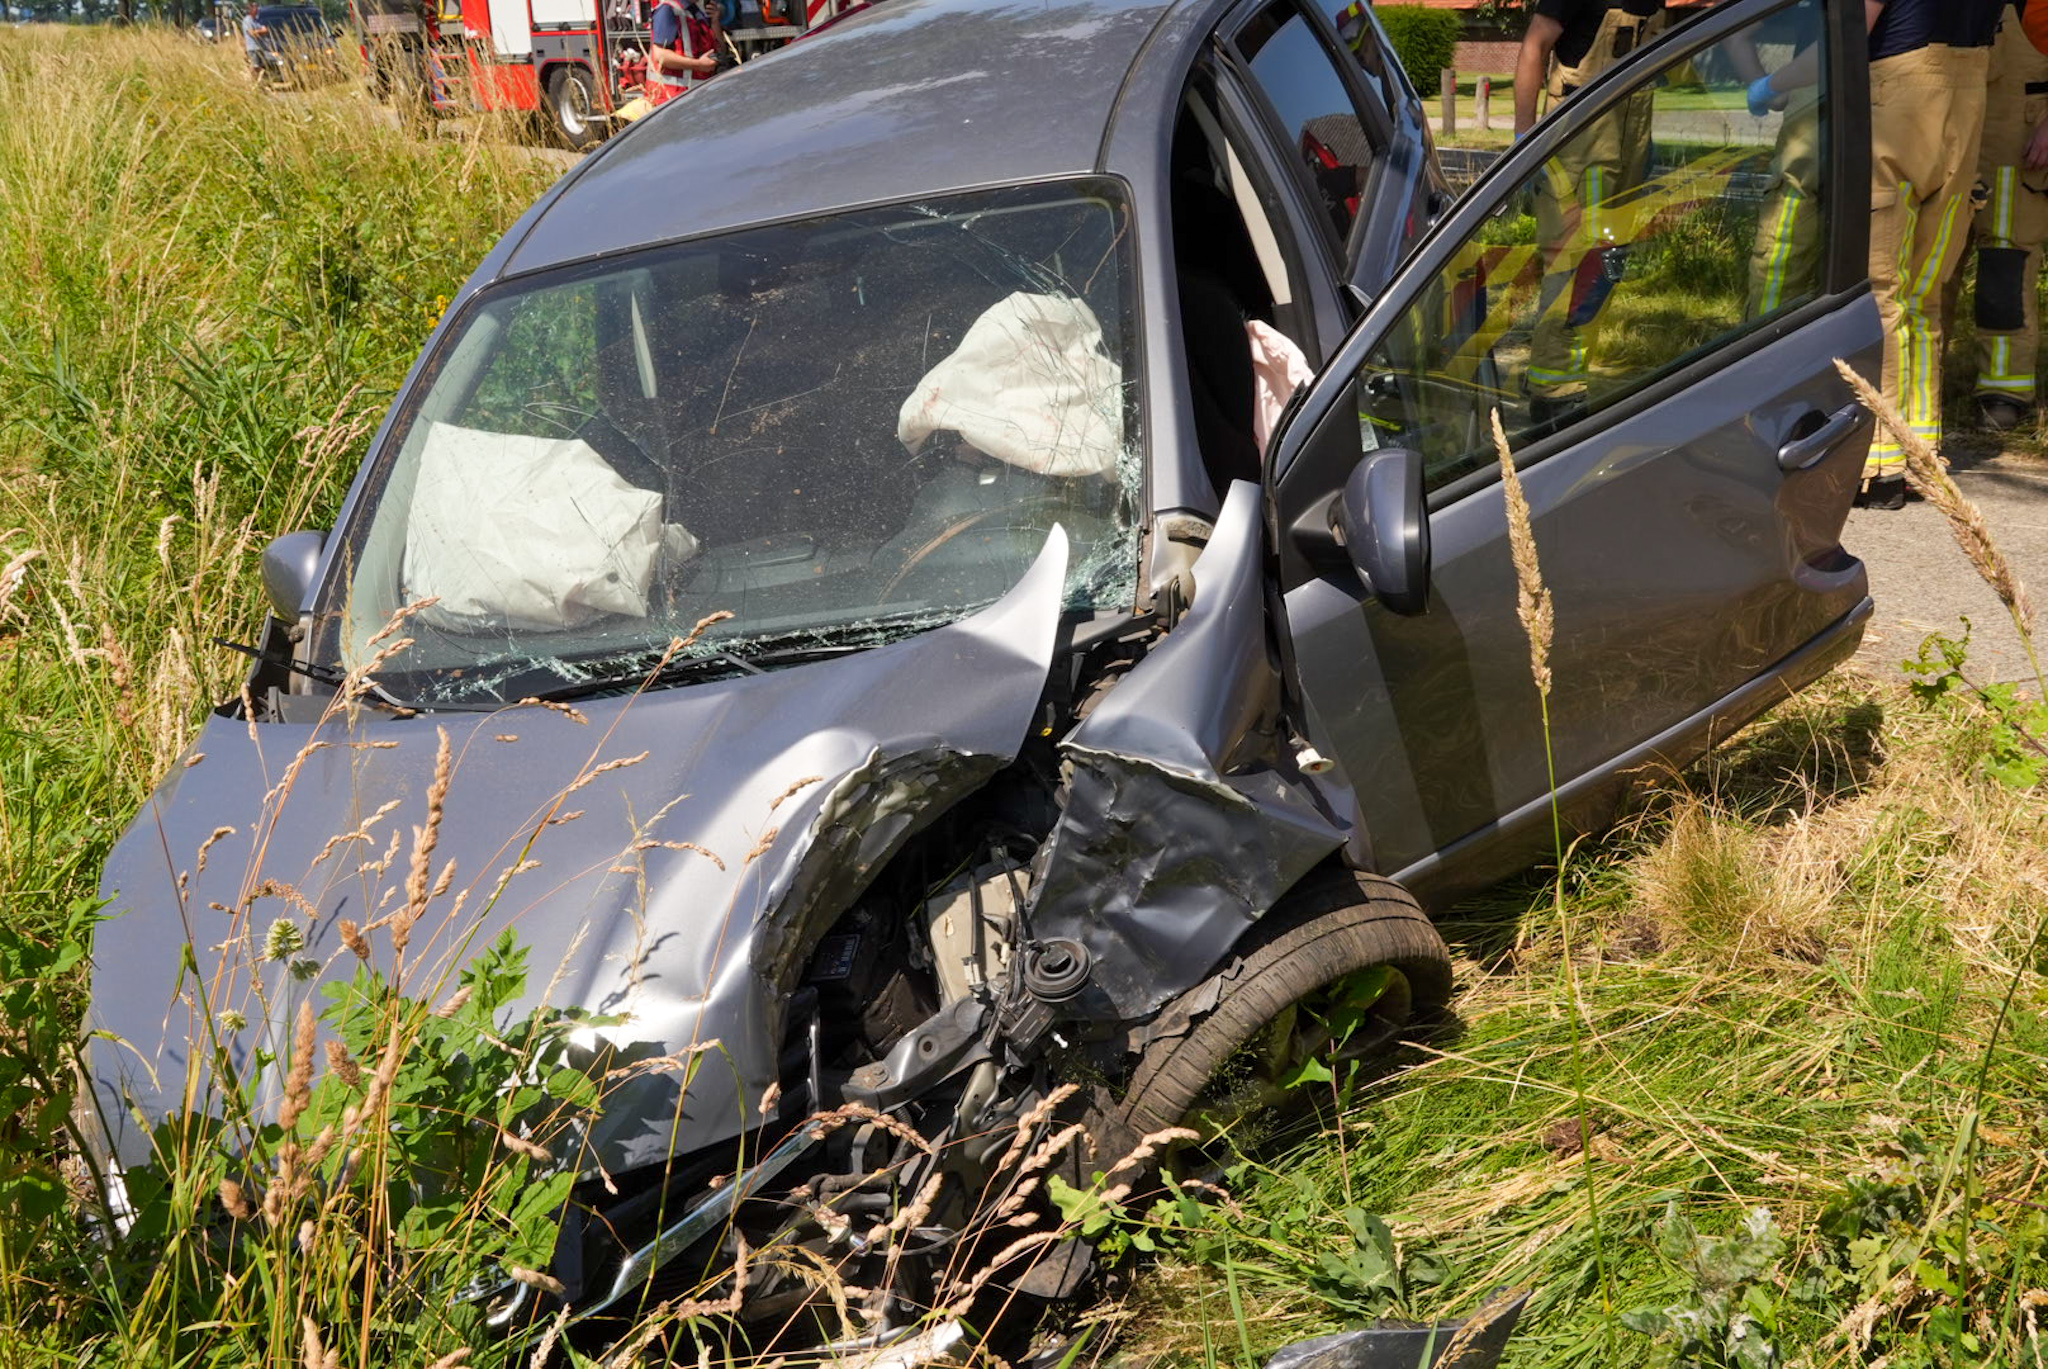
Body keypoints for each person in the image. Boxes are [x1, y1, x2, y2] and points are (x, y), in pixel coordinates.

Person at [1858, 0, 2004, 508]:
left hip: (1896, 103)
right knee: (1924, 296)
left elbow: (1857, 26)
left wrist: (1777, 83)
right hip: (1963, 108)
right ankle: (1921, 452)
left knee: (1880, 291)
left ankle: (1879, 462)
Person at [1513, 1, 1668, 424]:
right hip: (1580, 140)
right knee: (1573, 265)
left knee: (1605, 265)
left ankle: (1564, 376)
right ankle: (1553, 395)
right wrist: (1524, 139)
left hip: (1629, 136)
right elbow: (1534, 45)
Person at [1962, 4, 2048, 430]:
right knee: (1928, 268)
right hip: (1953, 125)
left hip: (2020, 134)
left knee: (2004, 264)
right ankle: (1914, 386)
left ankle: (2005, 391)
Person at [646, 0, 718, 107]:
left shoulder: (696, 12)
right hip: (671, 100)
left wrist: (715, 21)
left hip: (694, 98)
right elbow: (660, 55)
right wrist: (699, 64)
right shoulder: (667, 10)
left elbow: (719, 48)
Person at [241, 0, 269, 81]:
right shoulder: (247, 20)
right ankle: (249, 80)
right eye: (254, 8)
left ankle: (258, 83)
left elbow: (266, 30)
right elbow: (252, 33)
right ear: (250, 9)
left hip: (260, 47)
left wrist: (258, 31)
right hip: (252, 48)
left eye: (257, 7)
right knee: (255, 67)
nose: (257, 9)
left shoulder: (257, 21)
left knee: (262, 67)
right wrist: (259, 31)